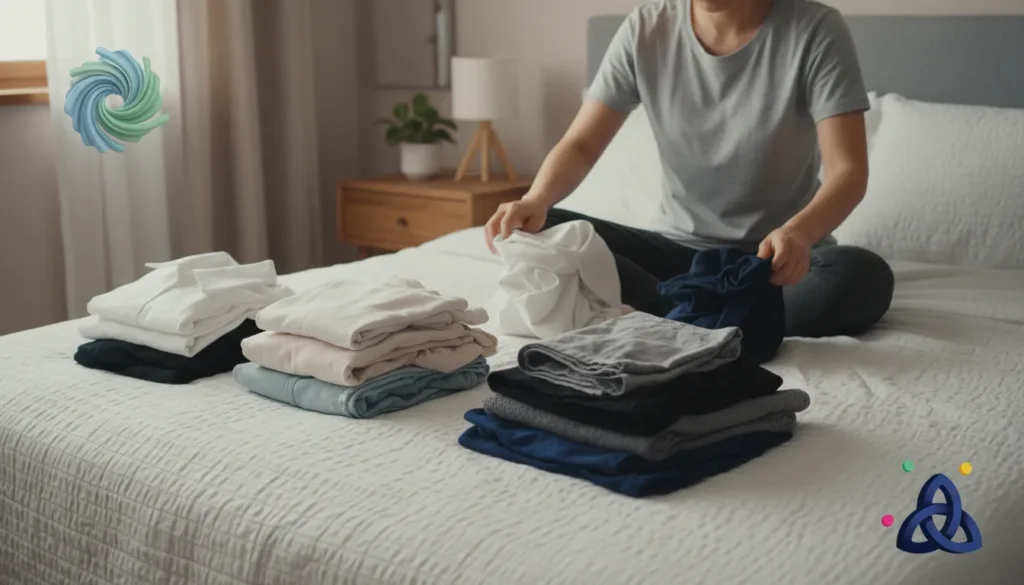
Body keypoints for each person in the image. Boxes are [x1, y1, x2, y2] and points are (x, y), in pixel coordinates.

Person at [482, 0, 894, 339]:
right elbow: (581, 144)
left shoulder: (815, 30)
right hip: (678, 256)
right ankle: (714, 311)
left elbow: (848, 171)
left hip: (777, 264)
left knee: (860, 276)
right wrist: (536, 198)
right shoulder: (645, 28)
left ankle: (672, 310)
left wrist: (799, 233)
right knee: (544, 227)